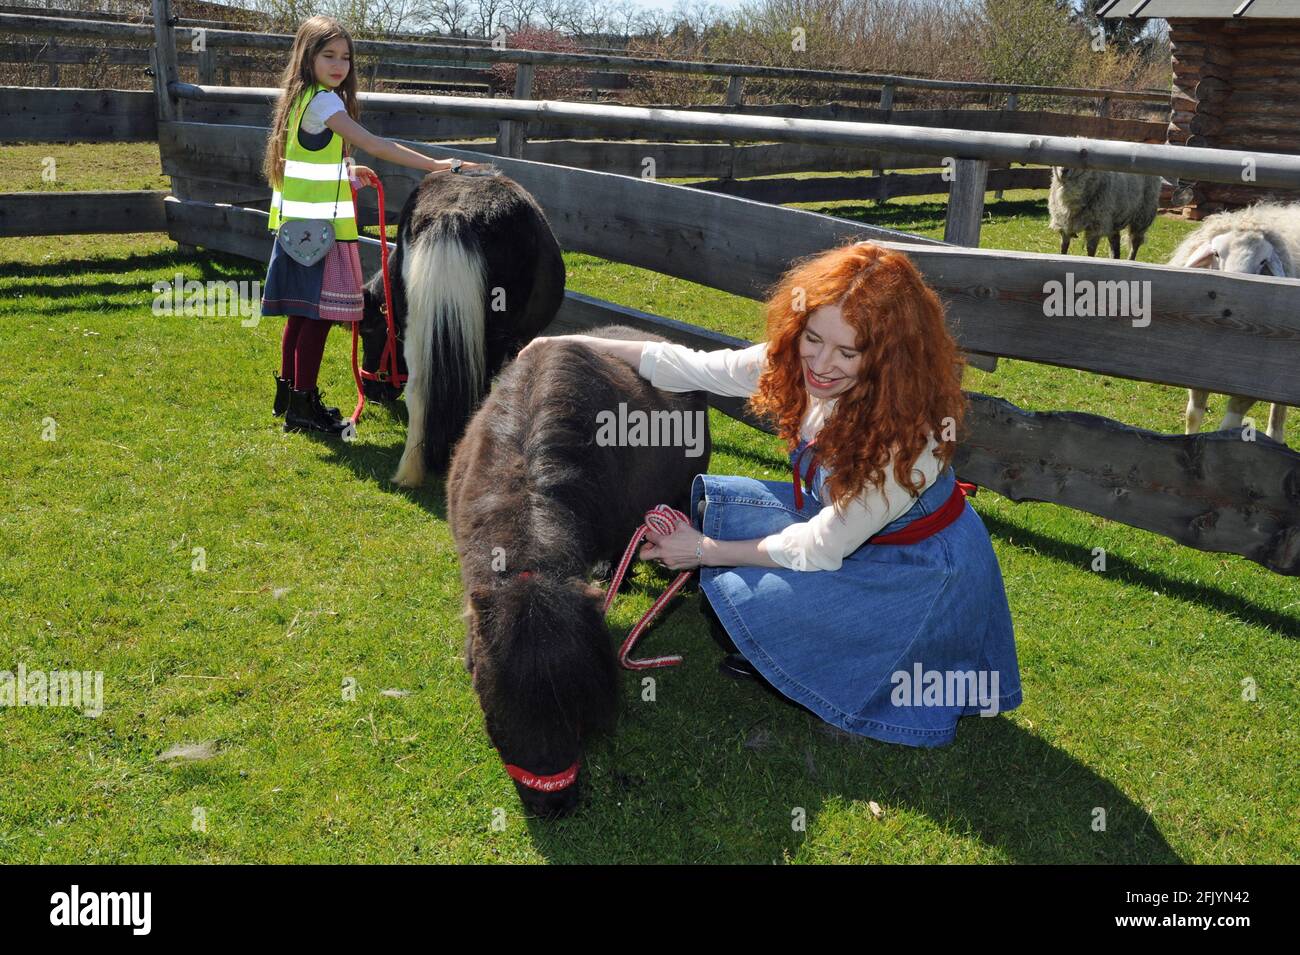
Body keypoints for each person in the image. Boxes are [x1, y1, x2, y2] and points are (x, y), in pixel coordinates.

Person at [518, 241, 1022, 747]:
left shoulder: (908, 440)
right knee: (728, 566)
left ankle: (829, 665)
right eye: (813, 338)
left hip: (919, 568)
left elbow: (819, 548)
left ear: (889, 359)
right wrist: (570, 346)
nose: (821, 364)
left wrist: (701, 552)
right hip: (845, 528)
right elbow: (688, 366)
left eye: (848, 352)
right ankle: (782, 649)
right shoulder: (797, 363)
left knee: (737, 583)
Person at [259, 14, 483, 435]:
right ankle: (303, 405)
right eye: (329, 55)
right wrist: (438, 165)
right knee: (320, 316)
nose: (339, 65)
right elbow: (376, 143)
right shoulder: (326, 101)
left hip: (297, 229)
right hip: (322, 233)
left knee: (300, 314)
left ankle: (290, 395)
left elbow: (311, 160)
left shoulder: (301, 97)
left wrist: (348, 172)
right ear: (308, 57)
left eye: (345, 57)